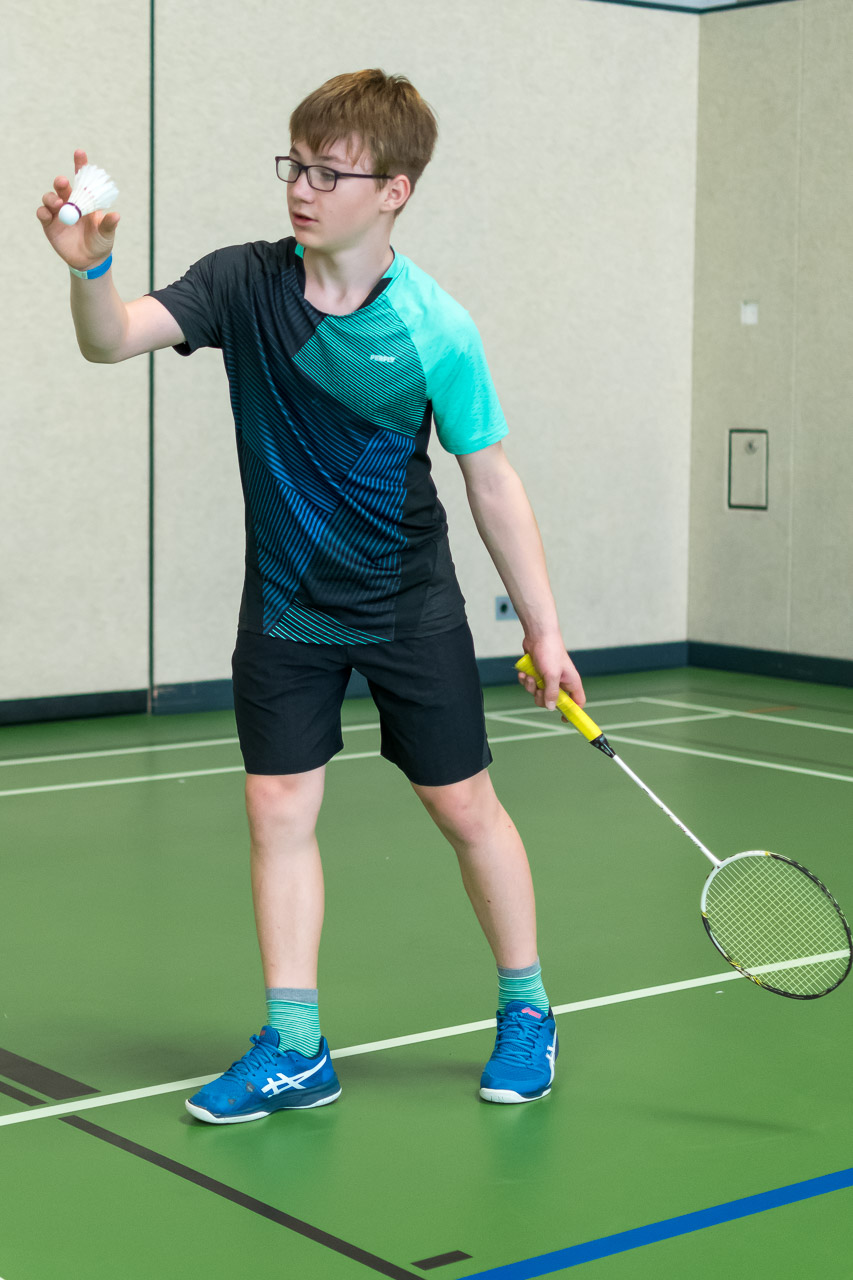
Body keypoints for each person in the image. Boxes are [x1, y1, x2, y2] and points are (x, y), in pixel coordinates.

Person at [38, 69, 585, 1122]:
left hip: (406, 601)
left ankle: (527, 1010)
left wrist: (545, 629)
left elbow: (489, 479)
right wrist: (91, 268)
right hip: (287, 605)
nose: (302, 188)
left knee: (463, 806)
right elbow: (109, 340)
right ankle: (296, 1046)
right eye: (296, 164)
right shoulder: (242, 283)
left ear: (395, 191)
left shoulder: (435, 327)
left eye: (331, 173)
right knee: (277, 806)